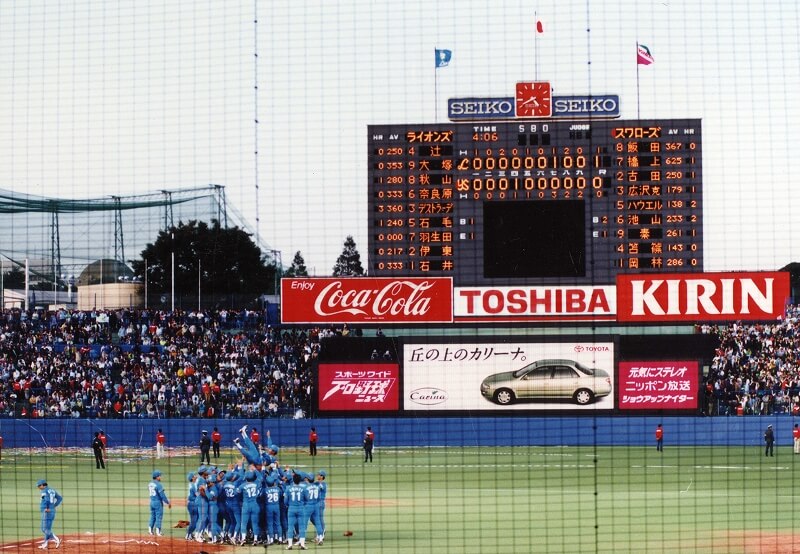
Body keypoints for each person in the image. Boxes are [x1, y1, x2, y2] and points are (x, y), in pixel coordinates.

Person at [284, 472, 310, 550]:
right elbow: (307, 499)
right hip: (301, 509)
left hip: (291, 509)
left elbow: (285, 501)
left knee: (290, 527)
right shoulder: (304, 489)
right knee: (302, 527)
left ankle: (290, 545)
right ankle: (302, 544)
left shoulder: (288, 488)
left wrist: (289, 505)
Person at [37, 479, 63, 550]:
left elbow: (47, 500)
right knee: (48, 529)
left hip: (47, 511)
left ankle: (57, 539)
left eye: (39, 485)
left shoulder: (44, 491)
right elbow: (60, 498)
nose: (38, 487)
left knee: (44, 529)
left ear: (43, 485)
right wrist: (54, 505)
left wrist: (47, 508)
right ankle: (45, 544)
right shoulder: (52, 490)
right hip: (52, 511)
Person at [148, 470, 172, 536]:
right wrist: (168, 502)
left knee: (152, 516)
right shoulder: (159, 485)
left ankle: (150, 530)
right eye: (159, 476)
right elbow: (162, 496)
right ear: (156, 477)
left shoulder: (150, 484)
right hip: (158, 503)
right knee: (159, 517)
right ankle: (158, 532)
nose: (160, 477)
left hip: (152, 502)